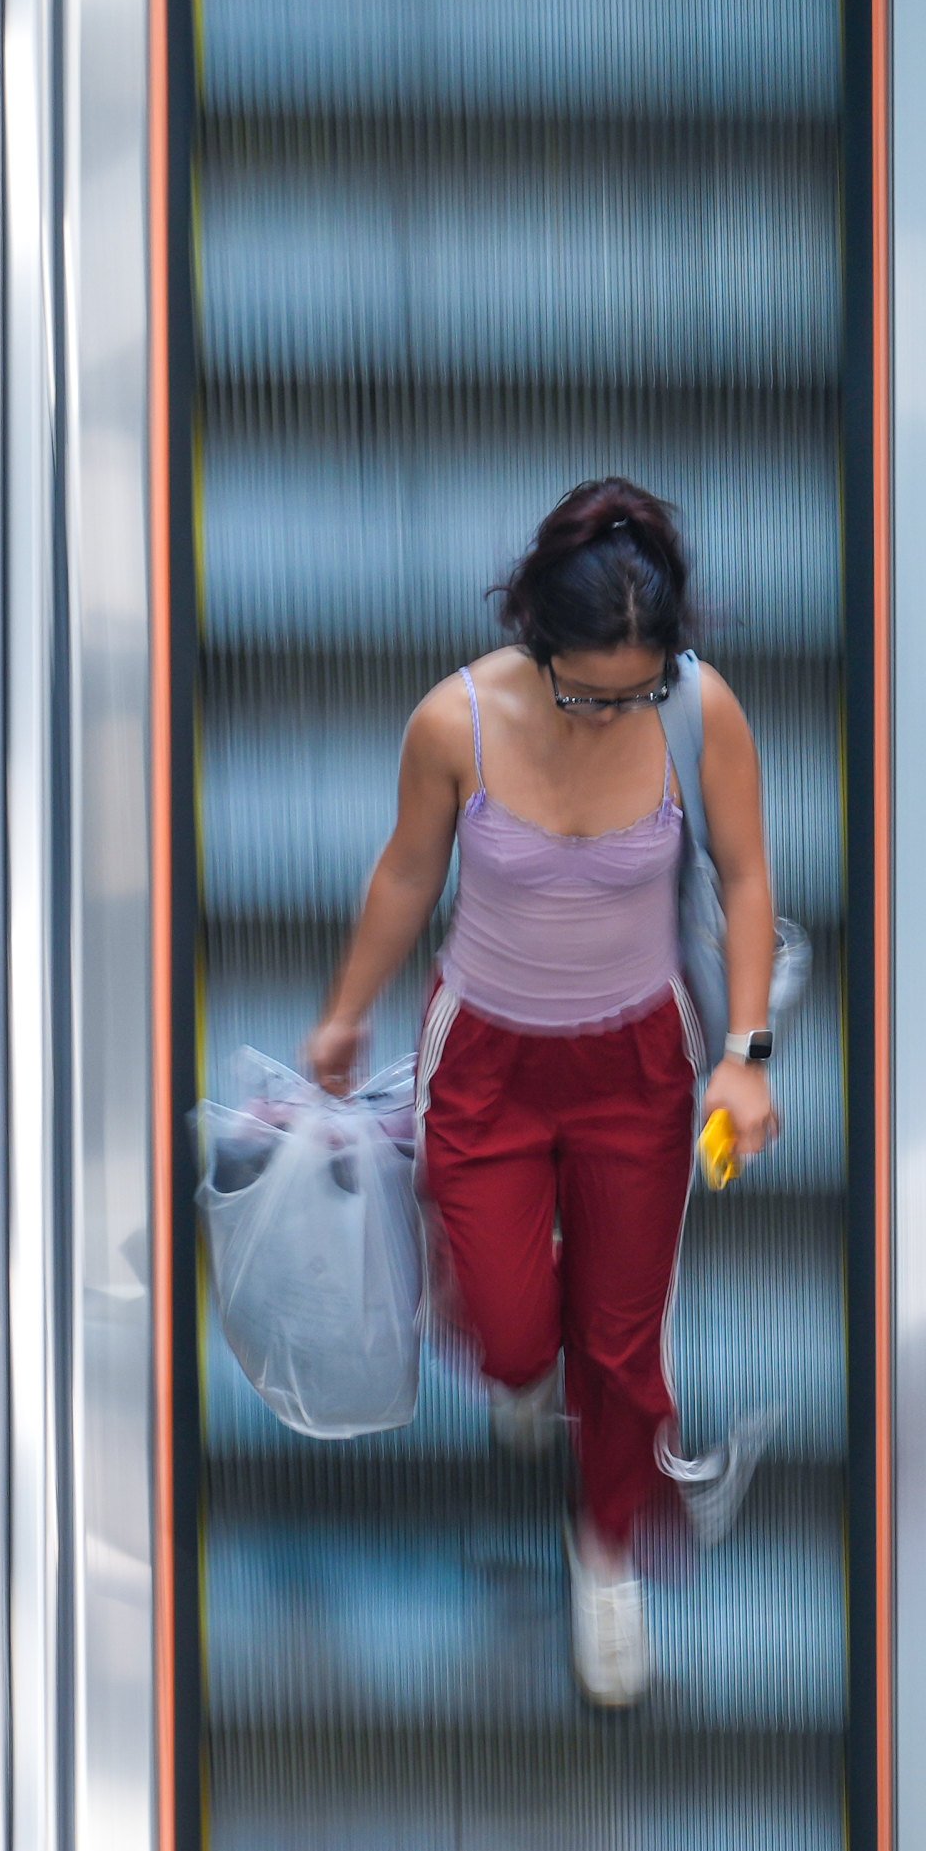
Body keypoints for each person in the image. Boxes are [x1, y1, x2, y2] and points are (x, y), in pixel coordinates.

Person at [303, 477, 783, 1707]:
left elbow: (742, 882)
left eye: (638, 690)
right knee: (517, 1336)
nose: (612, 712)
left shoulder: (698, 715)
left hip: (635, 1065)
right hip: (489, 1061)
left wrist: (746, 1049)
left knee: (619, 1347)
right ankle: (521, 1360)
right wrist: (348, 1014)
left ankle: (607, 1551)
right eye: (587, 691)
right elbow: (409, 873)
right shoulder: (454, 723)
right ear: (536, 641)